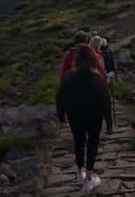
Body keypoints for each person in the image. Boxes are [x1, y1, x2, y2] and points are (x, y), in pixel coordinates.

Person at [56, 45, 113, 193]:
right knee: (92, 142)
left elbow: (60, 97)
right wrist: (109, 122)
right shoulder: (97, 78)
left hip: (75, 115)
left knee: (78, 142)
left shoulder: (68, 76)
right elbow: (106, 101)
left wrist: (61, 117)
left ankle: (79, 171)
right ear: (93, 58)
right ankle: (89, 177)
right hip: (94, 116)